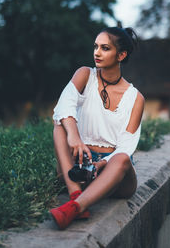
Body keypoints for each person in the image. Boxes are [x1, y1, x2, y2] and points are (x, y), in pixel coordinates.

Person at [49, 25, 145, 230]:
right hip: (80, 164)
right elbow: (63, 106)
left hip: (113, 172)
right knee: (59, 124)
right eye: (95, 47)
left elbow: (127, 146)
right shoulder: (85, 75)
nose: (97, 52)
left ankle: (74, 208)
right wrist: (74, 136)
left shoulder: (136, 98)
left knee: (123, 158)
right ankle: (75, 193)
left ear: (121, 55)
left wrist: (103, 163)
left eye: (105, 48)